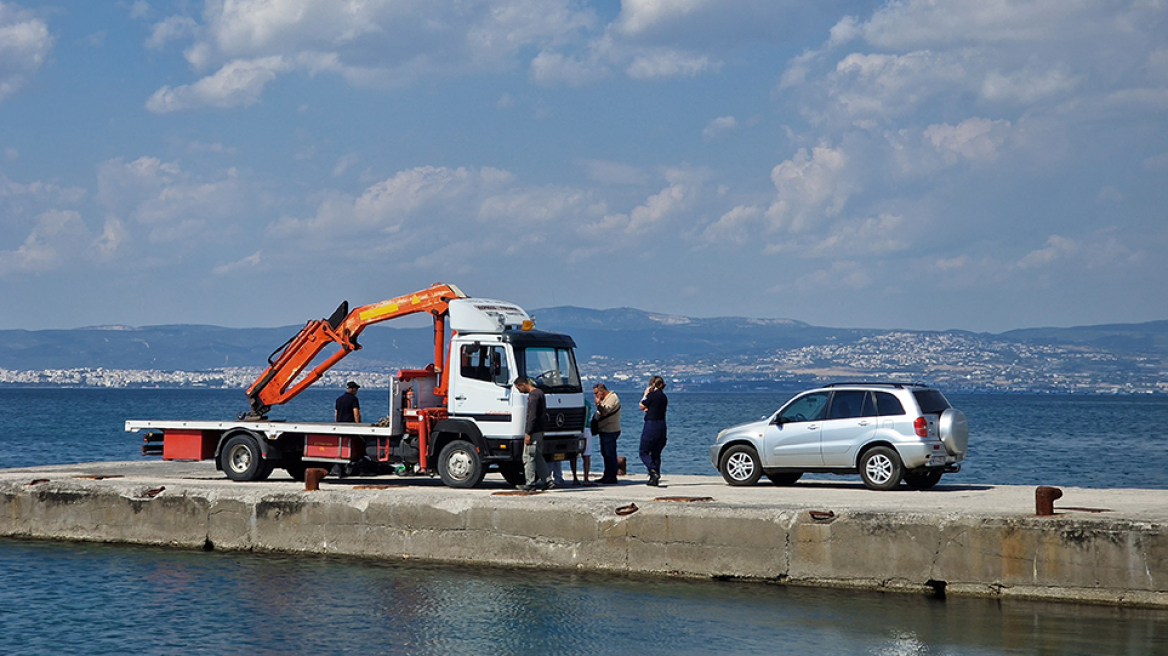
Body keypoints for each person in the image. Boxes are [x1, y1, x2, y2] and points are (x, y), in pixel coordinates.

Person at [514, 376, 552, 491]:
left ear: (523, 384)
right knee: (538, 456)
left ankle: (530, 483)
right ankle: (547, 480)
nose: (519, 391)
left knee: (528, 457)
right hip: (540, 430)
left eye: (518, 388)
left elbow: (532, 416)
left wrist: (528, 433)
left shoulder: (533, 396)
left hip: (534, 431)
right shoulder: (540, 393)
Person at [638, 376, 668, 487]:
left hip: (651, 425)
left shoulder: (652, 396)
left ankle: (653, 470)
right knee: (656, 453)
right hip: (662, 425)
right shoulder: (664, 397)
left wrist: (646, 393)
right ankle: (654, 478)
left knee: (644, 451)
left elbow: (642, 405)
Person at [593, 383, 621, 484]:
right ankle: (607, 475)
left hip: (610, 430)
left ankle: (612, 476)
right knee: (605, 453)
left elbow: (605, 411)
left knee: (610, 454)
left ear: (602, 391)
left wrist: (598, 404)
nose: (595, 395)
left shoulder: (612, 398)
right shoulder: (605, 399)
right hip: (604, 430)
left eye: (596, 393)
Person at [568, 398, 595, 485]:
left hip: (575, 428)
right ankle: (586, 478)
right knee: (586, 455)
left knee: (573, 455)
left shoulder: (572, 402)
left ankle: (575, 478)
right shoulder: (587, 403)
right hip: (586, 428)